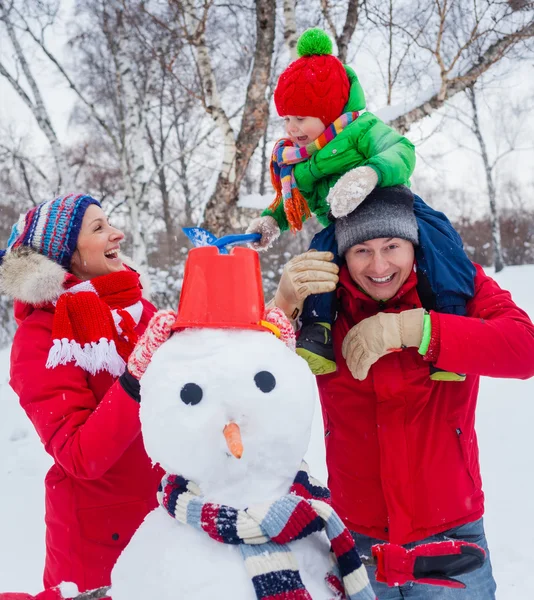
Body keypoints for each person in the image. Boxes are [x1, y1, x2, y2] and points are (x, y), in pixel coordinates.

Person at [271, 185, 534, 598]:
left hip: (449, 529)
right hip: (357, 536)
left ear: (413, 244)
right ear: (342, 254)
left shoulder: (458, 289)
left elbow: (524, 349)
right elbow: (247, 374)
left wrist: (417, 329)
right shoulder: (323, 306)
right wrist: (283, 303)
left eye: (392, 245)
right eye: (361, 250)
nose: (379, 264)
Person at [247, 28, 475, 382]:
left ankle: (452, 321)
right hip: (344, 225)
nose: (292, 128)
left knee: (439, 241)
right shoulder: (298, 160)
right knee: (320, 257)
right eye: (286, 118)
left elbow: (401, 151)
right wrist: (271, 220)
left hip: (396, 210)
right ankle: (318, 331)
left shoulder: (364, 128)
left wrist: (370, 173)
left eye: (301, 117)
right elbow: (297, 200)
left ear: (327, 110)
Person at [0, 194, 165, 593]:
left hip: (164, 522)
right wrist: (135, 378)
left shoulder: (135, 307)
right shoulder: (40, 339)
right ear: (67, 256)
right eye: (99, 228)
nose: (117, 233)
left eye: (109, 222)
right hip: (99, 550)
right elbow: (80, 455)